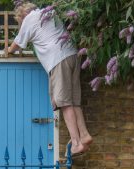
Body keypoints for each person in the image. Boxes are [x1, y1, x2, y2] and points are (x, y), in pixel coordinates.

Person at [8, 2, 93, 156]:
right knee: (73, 100)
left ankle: (76, 143)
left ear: (22, 15)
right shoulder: (49, 13)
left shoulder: (29, 19)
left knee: (64, 102)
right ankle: (84, 135)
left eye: (19, 20)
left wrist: (8, 50)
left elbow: (17, 45)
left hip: (58, 59)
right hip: (73, 55)